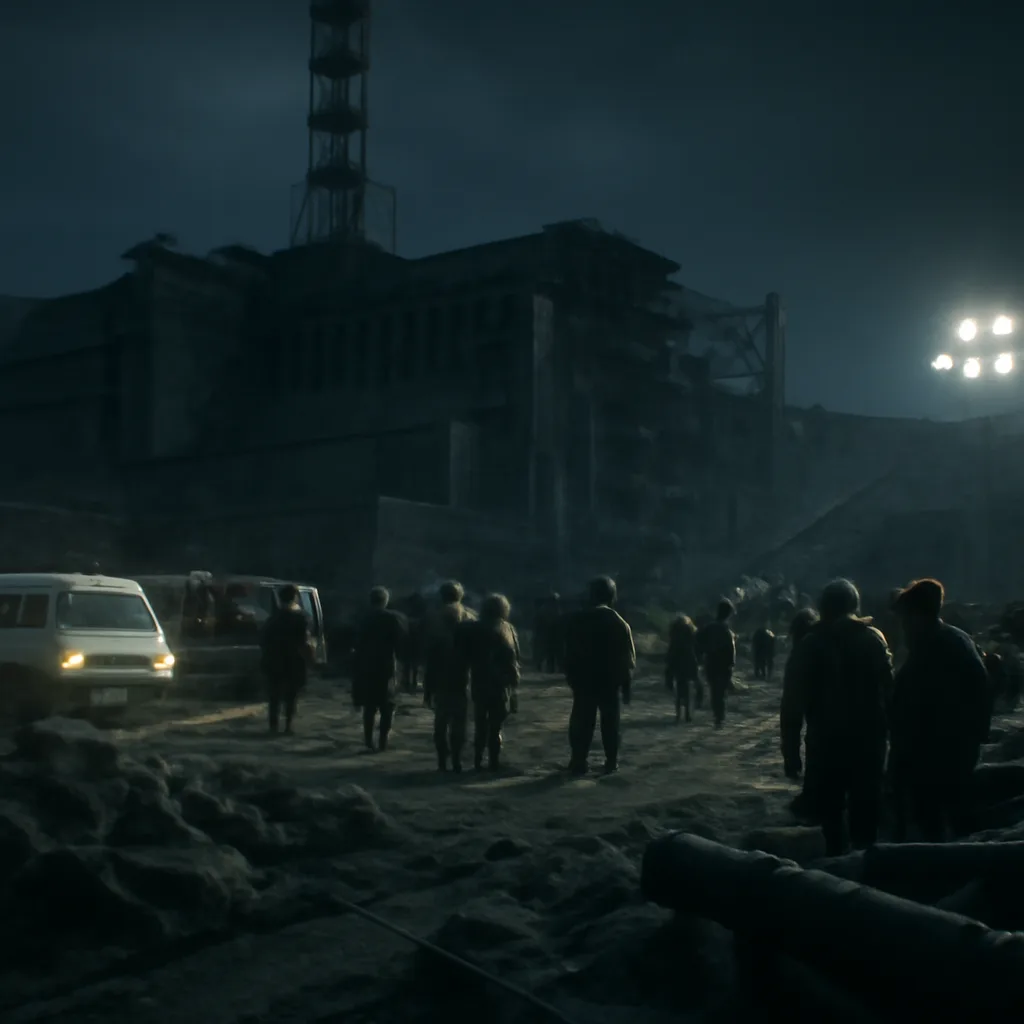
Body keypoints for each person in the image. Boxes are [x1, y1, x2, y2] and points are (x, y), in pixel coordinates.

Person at [783, 579, 892, 856]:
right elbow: (891, 694)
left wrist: (791, 753)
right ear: (854, 606)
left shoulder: (810, 644)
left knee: (830, 819)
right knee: (866, 818)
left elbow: (793, 704)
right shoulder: (874, 639)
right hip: (870, 743)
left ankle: (839, 871)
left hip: (826, 744)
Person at [889, 578, 990, 841]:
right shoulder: (949, 640)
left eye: (906, 618)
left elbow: (921, 704)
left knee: (940, 817)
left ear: (918, 616)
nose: (903, 626)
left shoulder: (939, 647)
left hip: (940, 751)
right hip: (946, 748)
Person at [563, 576, 636, 774]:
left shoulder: (577, 619)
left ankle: (578, 760)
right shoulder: (619, 622)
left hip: (583, 680)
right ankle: (611, 761)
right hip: (609, 681)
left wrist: (570, 676)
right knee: (610, 722)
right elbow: (627, 659)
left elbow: (567, 651)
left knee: (581, 719)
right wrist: (626, 684)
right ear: (612, 596)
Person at [461, 593, 521, 770]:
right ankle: (493, 761)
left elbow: (466, 655)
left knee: (481, 724)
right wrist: (514, 685)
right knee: (496, 726)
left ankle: (478, 761)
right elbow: (514, 659)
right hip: (500, 684)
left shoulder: (473, 628)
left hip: (479, 680)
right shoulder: (507, 629)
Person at [423, 580, 476, 772]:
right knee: (460, 721)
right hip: (465, 677)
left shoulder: (433, 618)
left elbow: (430, 655)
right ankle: (456, 759)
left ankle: (442, 761)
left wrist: (427, 688)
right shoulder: (471, 618)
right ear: (460, 596)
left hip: (441, 677)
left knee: (441, 721)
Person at [351, 586, 407, 752]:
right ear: (385, 601)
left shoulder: (363, 618)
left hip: (366, 666)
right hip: (386, 666)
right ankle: (383, 741)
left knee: (369, 706)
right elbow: (400, 643)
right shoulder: (393, 618)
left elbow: (356, 642)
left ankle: (368, 739)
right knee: (387, 706)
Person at [780, 607, 821, 817]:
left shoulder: (802, 653)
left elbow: (791, 712)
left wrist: (792, 758)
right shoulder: (870, 638)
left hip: (823, 741)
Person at [259, 583, 313, 735]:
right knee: (291, 696)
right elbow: (306, 641)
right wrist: (311, 660)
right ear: (296, 597)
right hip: (294, 661)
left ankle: (273, 726)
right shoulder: (302, 617)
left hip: (274, 661)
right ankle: (288, 726)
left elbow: (263, 640)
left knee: (274, 696)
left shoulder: (273, 618)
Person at [699, 600, 737, 728]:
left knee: (714, 690)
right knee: (721, 691)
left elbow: (699, 643)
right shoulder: (726, 630)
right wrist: (732, 663)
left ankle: (717, 715)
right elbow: (731, 649)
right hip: (723, 665)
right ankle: (719, 717)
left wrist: (701, 658)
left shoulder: (709, 627)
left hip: (711, 663)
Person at [665, 614, 701, 722]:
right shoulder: (690, 631)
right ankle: (687, 713)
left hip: (676, 660)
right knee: (688, 687)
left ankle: (678, 714)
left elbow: (671, 649)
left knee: (679, 687)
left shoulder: (674, 632)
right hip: (688, 660)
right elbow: (695, 647)